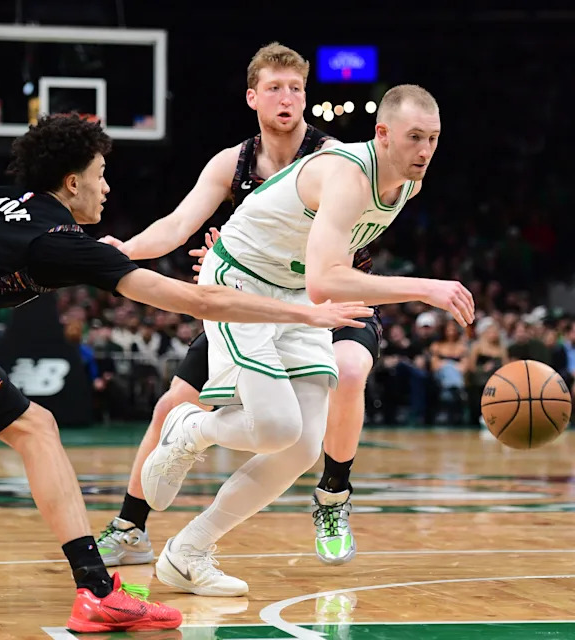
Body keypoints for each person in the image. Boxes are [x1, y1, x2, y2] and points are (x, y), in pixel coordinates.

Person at [0, 114, 370, 631]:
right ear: (72, 182)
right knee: (37, 429)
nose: (107, 187)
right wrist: (301, 311)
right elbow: (183, 299)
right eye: (101, 175)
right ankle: (97, 589)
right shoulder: (58, 241)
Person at [140, 84, 475, 597]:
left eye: (433, 138)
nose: (425, 151)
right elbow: (327, 279)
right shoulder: (348, 173)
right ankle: (191, 429)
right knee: (275, 427)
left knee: (300, 448)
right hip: (240, 281)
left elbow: (315, 278)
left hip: (294, 295)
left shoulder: (408, 184)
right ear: (382, 134)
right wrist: (426, 287)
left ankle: (187, 553)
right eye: (414, 138)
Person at [96, 43, 382, 568]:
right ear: (253, 97)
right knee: (171, 405)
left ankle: (333, 497)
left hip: (330, 297)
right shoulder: (232, 162)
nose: (287, 98)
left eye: (296, 88)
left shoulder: (336, 158)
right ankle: (130, 527)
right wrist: (128, 249)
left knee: (349, 366)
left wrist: (231, 247)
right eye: (275, 87)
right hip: (252, 297)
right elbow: (179, 226)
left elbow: (331, 249)